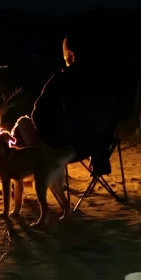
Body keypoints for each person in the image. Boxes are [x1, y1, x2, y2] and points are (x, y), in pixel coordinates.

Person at [30, 32, 116, 175]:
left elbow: (38, 113)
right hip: (100, 145)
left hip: (68, 147)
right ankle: (99, 163)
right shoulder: (102, 80)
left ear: (70, 54)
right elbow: (112, 113)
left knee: (24, 124)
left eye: (64, 55)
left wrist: (48, 132)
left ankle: (44, 174)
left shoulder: (61, 79)